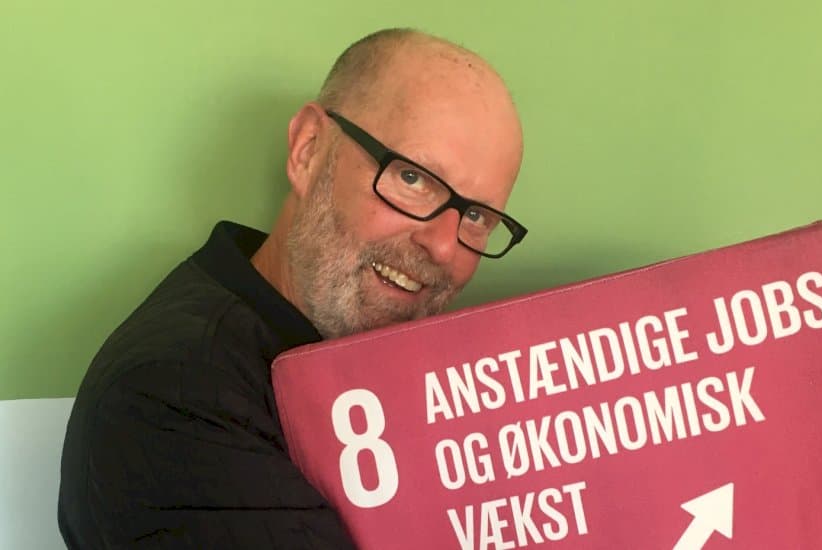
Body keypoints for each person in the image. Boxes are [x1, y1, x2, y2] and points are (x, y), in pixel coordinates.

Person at [58, 28, 527, 548]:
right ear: (308, 150)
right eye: (412, 179)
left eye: (478, 216)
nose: (442, 247)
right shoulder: (172, 401)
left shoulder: (394, 373)